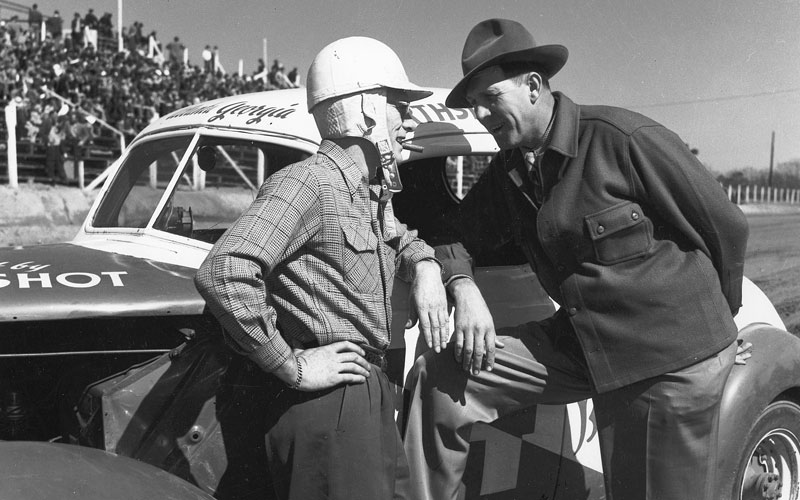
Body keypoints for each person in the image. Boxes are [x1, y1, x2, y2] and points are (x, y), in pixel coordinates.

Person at [402, 18, 749, 500]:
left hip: (663, 359)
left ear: (533, 86)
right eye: (474, 104)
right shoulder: (509, 172)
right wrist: (462, 285)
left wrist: (717, 329)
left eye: (490, 97)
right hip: (583, 342)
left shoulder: (620, 138)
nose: (482, 113)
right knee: (440, 375)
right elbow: (452, 237)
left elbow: (724, 226)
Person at [194, 36, 449, 500]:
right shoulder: (308, 183)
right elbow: (224, 270)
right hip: (329, 401)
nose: (410, 124)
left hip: (362, 393)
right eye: (400, 108)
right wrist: (289, 366)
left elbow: (400, 238)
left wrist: (427, 266)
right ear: (366, 110)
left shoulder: (365, 193)